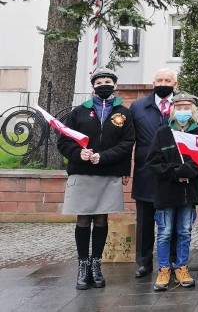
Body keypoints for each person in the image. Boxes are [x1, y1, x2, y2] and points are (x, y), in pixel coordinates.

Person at [58, 68, 135, 290]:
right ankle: (83, 266)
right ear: (93, 86)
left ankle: (96, 264)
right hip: (83, 173)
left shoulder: (124, 112)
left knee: (101, 220)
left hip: (107, 172)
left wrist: (104, 156)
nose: (104, 84)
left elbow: (128, 142)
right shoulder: (79, 112)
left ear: (115, 85)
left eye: (108, 81)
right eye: (100, 81)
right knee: (83, 220)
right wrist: (78, 153)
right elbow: (64, 141)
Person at [147, 92, 198, 291]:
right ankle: (164, 269)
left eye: (186, 107)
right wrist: (175, 173)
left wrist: (185, 173)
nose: (182, 111)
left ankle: (181, 267)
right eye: (179, 108)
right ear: (173, 110)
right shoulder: (162, 133)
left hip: (188, 192)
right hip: (166, 192)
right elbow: (154, 161)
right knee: (165, 232)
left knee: (184, 232)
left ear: (193, 110)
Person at [129, 68, 178, 279]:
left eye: (168, 80)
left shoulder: (183, 105)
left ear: (175, 84)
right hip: (146, 170)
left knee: (174, 220)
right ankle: (144, 262)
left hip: (174, 171)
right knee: (145, 221)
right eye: (160, 79)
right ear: (153, 82)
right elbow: (129, 139)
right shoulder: (138, 107)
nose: (163, 83)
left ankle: (175, 261)